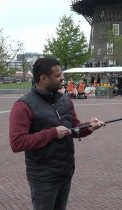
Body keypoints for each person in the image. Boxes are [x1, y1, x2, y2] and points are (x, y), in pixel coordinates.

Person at [9, 58, 105, 210]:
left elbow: (74, 127)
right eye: (58, 75)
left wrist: (89, 127)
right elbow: (17, 142)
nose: (62, 78)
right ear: (44, 79)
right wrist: (52, 133)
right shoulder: (23, 105)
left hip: (65, 172)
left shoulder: (65, 99)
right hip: (43, 177)